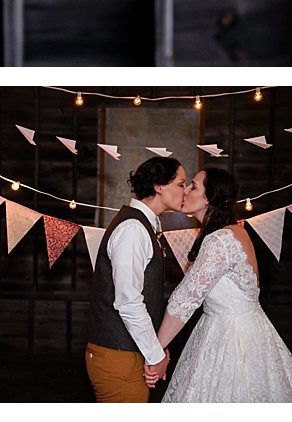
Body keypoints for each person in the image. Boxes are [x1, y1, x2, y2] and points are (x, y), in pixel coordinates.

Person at [145, 167, 292, 402]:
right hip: (246, 330)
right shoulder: (234, 232)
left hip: (232, 340)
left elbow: (184, 300)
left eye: (193, 186)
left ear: (209, 198)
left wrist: (155, 352)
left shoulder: (219, 239)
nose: (185, 191)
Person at [85, 157, 186, 402]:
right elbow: (128, 301)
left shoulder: (145, 226)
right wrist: (155, 356)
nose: (185, 191)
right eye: (181, 184)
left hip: (128, 352)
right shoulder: (133, 229)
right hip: (118, 355)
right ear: (159, 187)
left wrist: (155, 348)